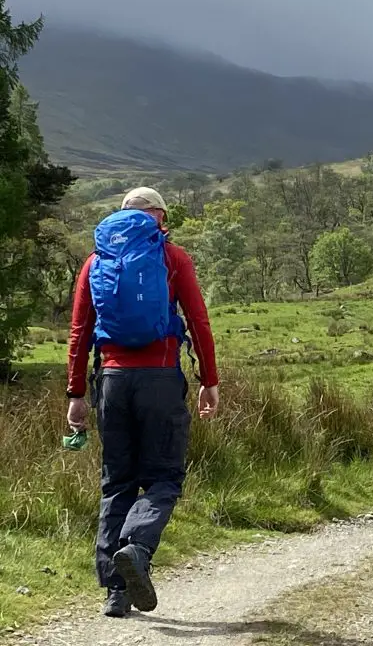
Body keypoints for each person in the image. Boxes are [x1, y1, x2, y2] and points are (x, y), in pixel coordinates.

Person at [65, 187, 220, 618]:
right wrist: (210, 380)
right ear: (159, 216)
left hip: (111, 380)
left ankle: (115, 594)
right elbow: (198, 320)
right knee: (164, 478)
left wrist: (76, 395)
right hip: (161, 378)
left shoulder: (96, 262)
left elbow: (79, 334)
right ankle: (136, 546)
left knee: (117, 483)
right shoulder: (173, 257)